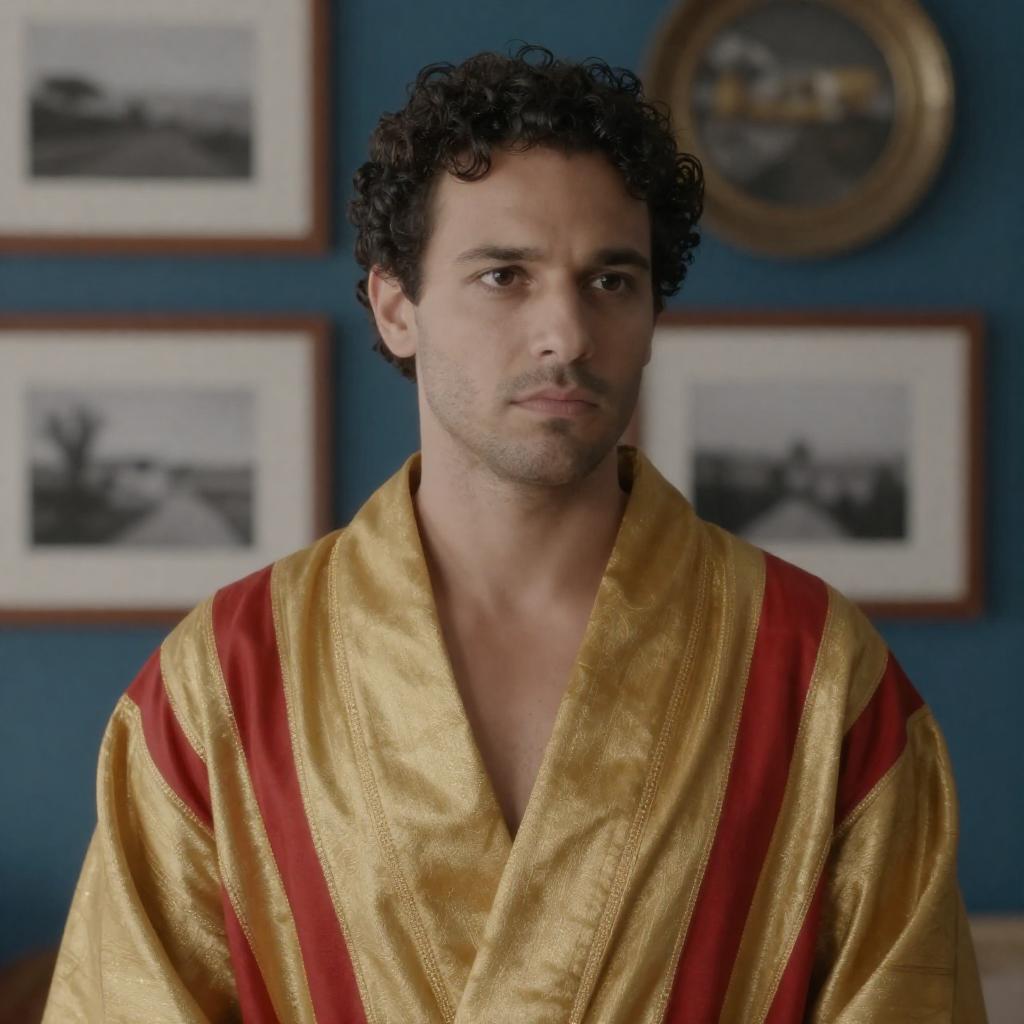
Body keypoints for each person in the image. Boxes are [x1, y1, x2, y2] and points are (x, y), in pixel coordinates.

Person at [43, 46, 986, 1023]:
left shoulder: (815, 668)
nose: (566, 335)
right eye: (504, 275)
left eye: (610, 281)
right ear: (396, 306)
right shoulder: (222, 681)